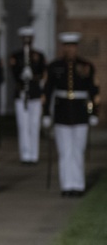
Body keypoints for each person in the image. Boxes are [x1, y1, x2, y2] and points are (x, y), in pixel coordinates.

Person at [42, 32, 99, 196]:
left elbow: (94, 90)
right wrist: (46, 113)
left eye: (73, 47)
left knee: (78, 151)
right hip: (62, 112)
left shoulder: (86, 66)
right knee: (65, 151)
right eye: (67, 47)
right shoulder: (54, 67)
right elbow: (48, 90)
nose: (70, 50)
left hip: (80, 112)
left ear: (76, 48)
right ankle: (67, 185)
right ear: (63, 48)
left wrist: (93, 112)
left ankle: (78, 185)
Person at [9, 27, 46, 164]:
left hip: (35, 94)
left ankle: (34, 155)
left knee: (34, 125)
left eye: (29, 38)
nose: (27, 41)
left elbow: (43, 73)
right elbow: (13, 73)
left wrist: (34, 77)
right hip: (21, 94)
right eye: (24, 38)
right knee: (23, 125)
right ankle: (25, 155)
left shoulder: (38, 55)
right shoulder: (16, 56)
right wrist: (21, 74)